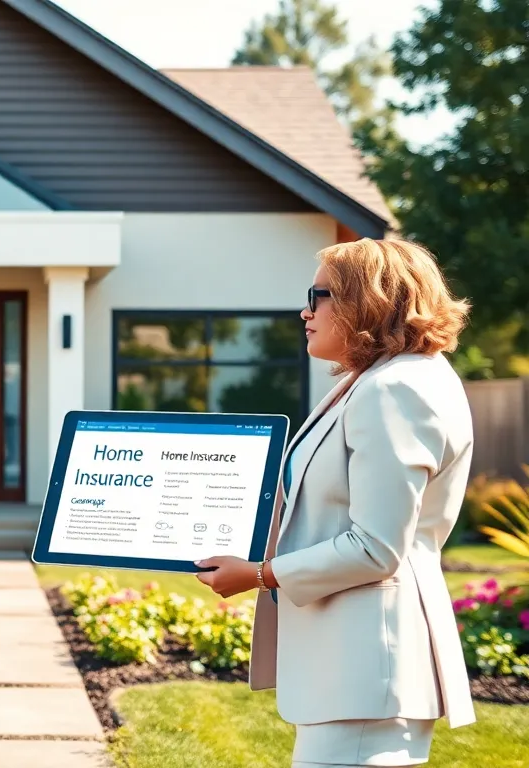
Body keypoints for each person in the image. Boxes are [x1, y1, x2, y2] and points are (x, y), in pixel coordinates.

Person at [196, 237, 477, 767]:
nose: (304, 310)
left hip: (368, 668)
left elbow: (375, 546)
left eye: (317, 295)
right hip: (352, 670)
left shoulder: (393, 388)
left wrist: (260, 574)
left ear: (366, 298)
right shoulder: (376, 381)